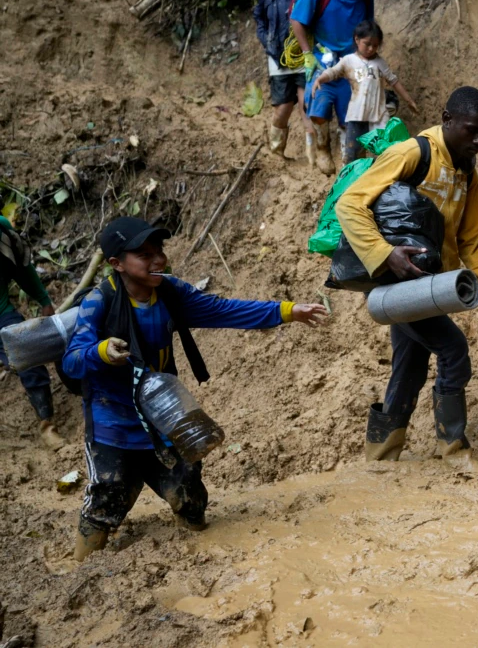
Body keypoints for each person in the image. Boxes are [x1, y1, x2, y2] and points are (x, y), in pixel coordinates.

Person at [63, 217, 327, 561]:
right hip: (112, 421)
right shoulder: (99, 303)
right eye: (144, 254)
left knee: (188, 495)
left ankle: (199, 557)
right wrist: (101, 352)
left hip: (164, 415)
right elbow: (72, 361)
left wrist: (288, 311)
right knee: (107, 500)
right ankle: (80, 568)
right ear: (117, 264)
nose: (158, 259)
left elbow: (223, 310)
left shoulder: (171, 292)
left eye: (159, 250)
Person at [336, 86, 478, 470]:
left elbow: (473, 234)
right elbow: (350, 202)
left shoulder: (467, 171)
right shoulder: (414, 153)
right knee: (453, 350)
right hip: (401, 285)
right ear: (447, 120)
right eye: (470, 130)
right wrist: (385, 255)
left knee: (410, 365)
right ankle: (454, 451)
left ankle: (381, 457)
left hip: (428, 285)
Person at [289, 0, 375, 175]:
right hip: (322, 63)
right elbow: (297, 20)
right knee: (319, 112)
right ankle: (322, 147)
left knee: (351, 118)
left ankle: (349, 161)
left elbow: (369, 28)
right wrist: (307, 54)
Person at [313, 20, 419, 164]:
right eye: (367, 44)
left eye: (375, 45)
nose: (371, 49)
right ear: (357, 39)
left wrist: (409, 100)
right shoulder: (349, 61)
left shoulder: (380, 63)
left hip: (378, 115)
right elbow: (333, 72)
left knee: (384, 155)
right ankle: (353, 183)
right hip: (357, 116)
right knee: (353, 157)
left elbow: (394, 81)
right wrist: (320, 79)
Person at [0, 216, 65, 449]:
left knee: (27, 352)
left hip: (1, 313)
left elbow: (21, 268)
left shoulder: (2, 230)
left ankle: (47, 425)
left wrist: (43, 299)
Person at [254, 0, 315, 163]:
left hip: (302, 53)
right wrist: (267, 41)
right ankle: (277, 151)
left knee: (307, 103)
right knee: (283, 109)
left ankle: (314, 154)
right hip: (277, 57)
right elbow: (260, 21)